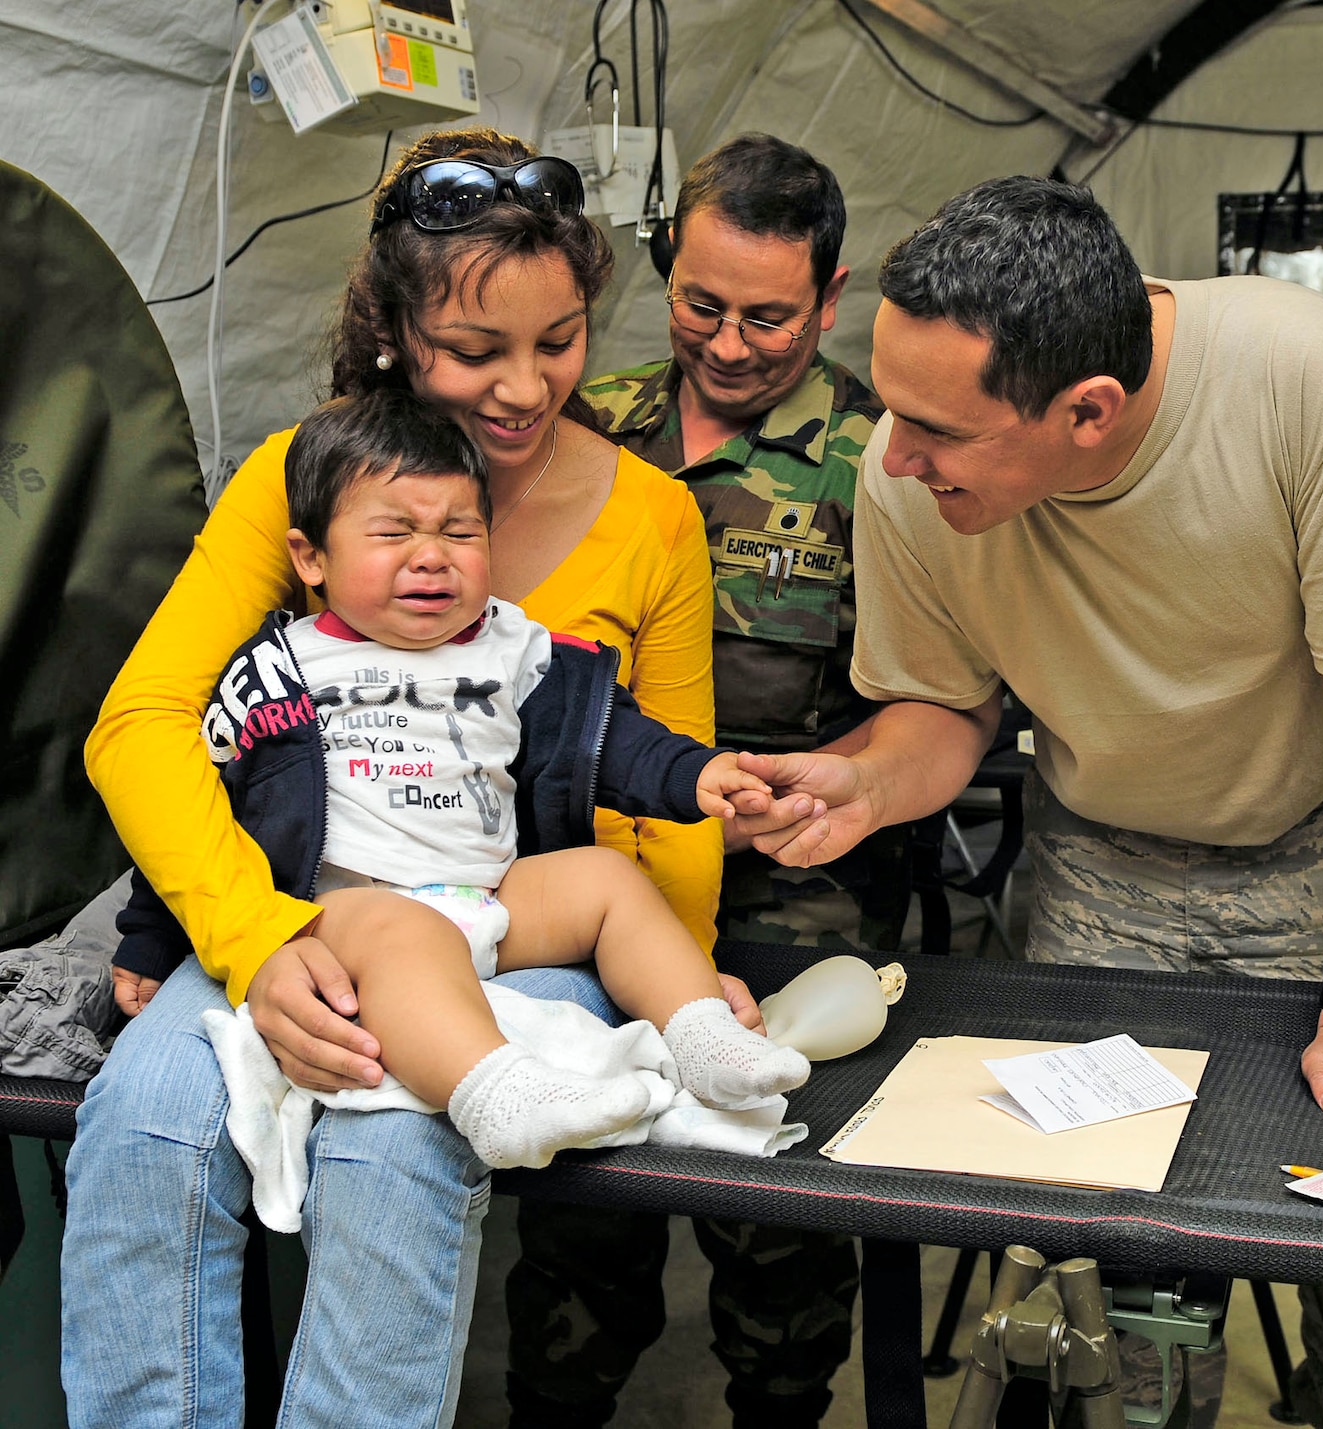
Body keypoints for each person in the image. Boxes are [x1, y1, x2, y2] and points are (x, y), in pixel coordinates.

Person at [733, 178, 1323, 1429]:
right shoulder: (910, 474)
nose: (892, 453)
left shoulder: (1302, 380)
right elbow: (944, 709)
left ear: (1087, 411)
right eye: (885, 404)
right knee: (1112, 1295)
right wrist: (870, 779)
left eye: (933, 428)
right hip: (1104, 870)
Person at [62, 127, 746, 1428]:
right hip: (301, 914)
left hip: (520, 922)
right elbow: (142, 722)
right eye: (477, 351)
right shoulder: (297, 478)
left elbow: (666, 791)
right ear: (393, 330)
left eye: (558, 341)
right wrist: (251, 937)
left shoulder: (655, 515)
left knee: (392, 1145)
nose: (526, 387)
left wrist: (685, 974)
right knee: (147, 1126)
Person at [104, 390, 805, 1178]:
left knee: (607, 880)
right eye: (393, 531)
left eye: (459, 530)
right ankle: (500, 1097)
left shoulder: (514, 650)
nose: (430, 555)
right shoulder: (278, 670)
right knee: (403, 930)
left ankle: (705, 1038)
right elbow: (206, 804)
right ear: (311, 558)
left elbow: (613, 739)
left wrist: (700, 773)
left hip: (490, 895)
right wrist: (152, 938)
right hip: (350, 915)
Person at [505, 133, 882, 1429]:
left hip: (783, 885)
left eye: (768, 317)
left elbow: (933, 699)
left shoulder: (874, 466)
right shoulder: (576, 422)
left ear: (830, 299)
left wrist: (837, 780)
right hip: (585, 861)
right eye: (700, 305)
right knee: (582, 1183)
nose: (727, 344)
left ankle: (779, 1399)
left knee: (769, 1193)